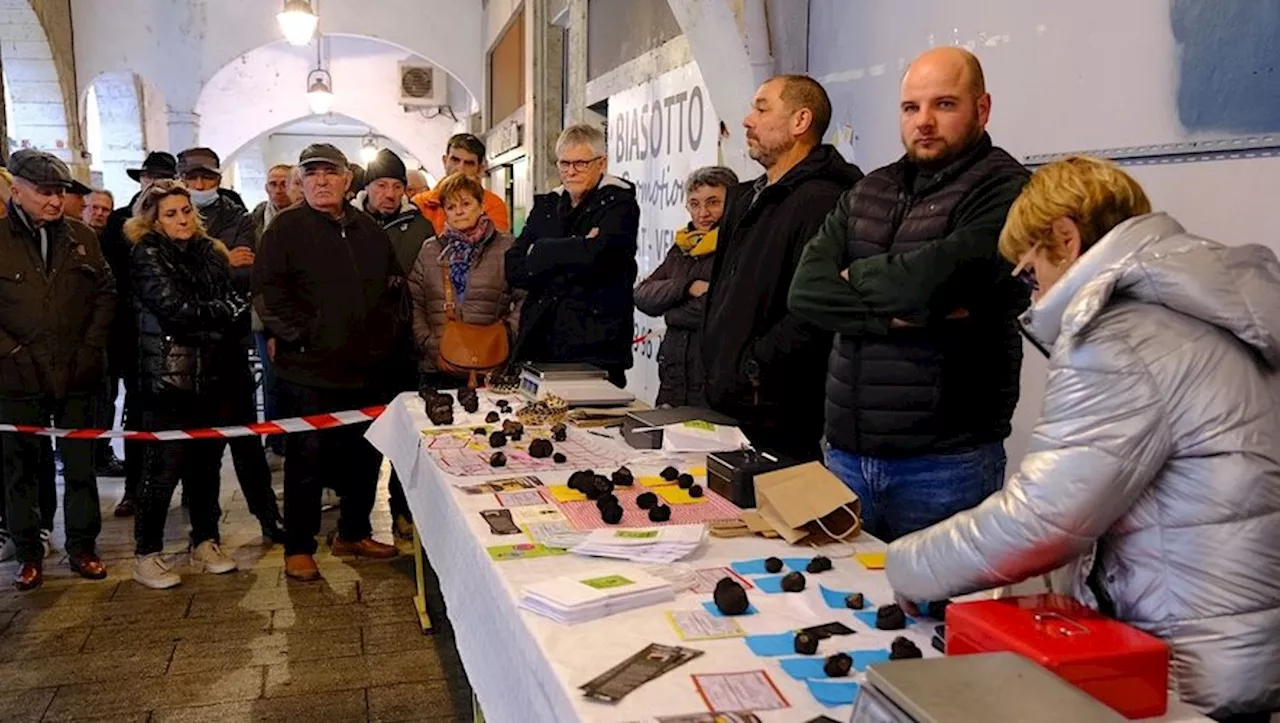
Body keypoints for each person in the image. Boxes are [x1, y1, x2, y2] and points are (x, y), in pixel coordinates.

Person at [886, 156, 1280, 723]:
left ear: (1065, 240)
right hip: (1242, 644)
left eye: (1029, 272)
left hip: (1183, 665)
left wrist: (906, 564)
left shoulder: (1119, 334)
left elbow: (1042, 521)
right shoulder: (1206, 308)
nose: (1031, 293)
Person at [788, 47, 1031, 542]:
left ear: (981, 109)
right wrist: (892, 316)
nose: (924, 121)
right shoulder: (869, 190)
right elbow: (806, 290)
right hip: (846, 457)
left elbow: (935, 281)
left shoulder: (1008, 190)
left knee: (939, 618)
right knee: (843, 608)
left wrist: (855, 277)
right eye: (911, 107)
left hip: (946, 464)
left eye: (944, 105)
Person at [253, 143, 401, 582]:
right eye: (311, 173)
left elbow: (393, 285)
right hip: (308, 371)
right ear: (301, 181)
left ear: (346, 180)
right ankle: (299, 545)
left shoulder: (368, 229)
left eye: (329, 173)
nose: (321, 181)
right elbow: (267, 294)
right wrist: (306, 336)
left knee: (364, 455)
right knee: (306, 460)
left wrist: (385, 336)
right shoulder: (286, 229)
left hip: (366, 368)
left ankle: (353, 530)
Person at [701, 75, 863, 462]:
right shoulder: (746, 198)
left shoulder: (824, 200)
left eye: (761, 108)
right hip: (727, 405)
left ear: (800, 122)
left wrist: (755, 366)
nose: (746, 120)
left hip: (778, 414)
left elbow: (815, 309)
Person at [0, 150, 115, 590]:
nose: (54, 200)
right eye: (44, 192)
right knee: (21, 469)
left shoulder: (81, 237)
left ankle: (83, 547)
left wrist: (89, 346)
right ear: (18, 191)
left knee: (81, 466)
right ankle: (29, 552)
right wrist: (11, 352)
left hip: (77, 373)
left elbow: (106, 291)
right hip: (17, 378)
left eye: (59, 192)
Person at [125, 180, 246, 589]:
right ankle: (146, 554)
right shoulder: (147, 254)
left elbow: (234, 302)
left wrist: (217, 313)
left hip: (212, 375)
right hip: (168, 379)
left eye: (185, 211)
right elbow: (176, 309)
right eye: (171, 214)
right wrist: (219, 313)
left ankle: (205, 540)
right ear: (154, 221)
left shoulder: (210, 252)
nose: (182, 220)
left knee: (206, 466)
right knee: (163, 470)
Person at [178, 148, 285, 543]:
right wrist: (223, 259)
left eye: (207, 178)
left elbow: (247, 273)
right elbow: (174, 281)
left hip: (230, 344)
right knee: (201, 452)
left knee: (247, 445)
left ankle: (268, 517)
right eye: (194, 178)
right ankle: (205, 533)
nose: (201, 185)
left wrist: (205, 262)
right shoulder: (168, 215)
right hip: (188, 354)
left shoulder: (236, 217)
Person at [506, 124, 640, 387]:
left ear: (601, 163)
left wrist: (541, 250)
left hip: (595, 350)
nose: (570, 171)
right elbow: (514, 268)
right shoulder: (546, 205)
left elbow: (600, 261)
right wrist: (578, 246)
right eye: (564, 163)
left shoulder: (619, 205)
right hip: (539, 343)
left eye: (580, 163)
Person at [356, 148, 435, 541]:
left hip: (403, 350)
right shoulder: (349, 224)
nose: (389, 193)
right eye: (382, 184)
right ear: (367, 187)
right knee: (361, 442)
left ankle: (404, 512)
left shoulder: (419, 228)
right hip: (357, 351)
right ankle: (355, 524)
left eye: (397, 186)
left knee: (406, 439)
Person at [102, 151, 178, 518]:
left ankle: (183, 487)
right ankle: (134, 488)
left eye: (165, 177)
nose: (156, 183)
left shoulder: (179, 224)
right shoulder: (118, 223)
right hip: (132, 335)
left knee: (179, 418)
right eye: (152, 177)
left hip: (174, 338)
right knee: (137, 414)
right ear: (142, 180)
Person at [635, 166, 738, 407]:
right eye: (694, 203)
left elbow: (718, 311)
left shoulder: (737, 247)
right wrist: (686, 287)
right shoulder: (681, 248)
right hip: (673, 379)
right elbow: (642, 295)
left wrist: (670, 311)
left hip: (713, 381)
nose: (703, 213)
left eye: (713, 203)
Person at [409, 171, 520, 388]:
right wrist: (429, 343)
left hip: (493, 365)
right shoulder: (430, 250)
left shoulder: (507, 247)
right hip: (438, 367)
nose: (459, 211)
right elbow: (414, 301)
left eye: (466, 203)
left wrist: (507, 336)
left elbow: (525, 297)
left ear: (480, 205)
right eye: (451, 207)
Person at [78, 187, 127, 479]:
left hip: (106, 336)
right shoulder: (70, 239)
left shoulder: (110, 244)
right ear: (83, 208)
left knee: (105, 398)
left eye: (105, 210)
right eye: (94, 207)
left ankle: (101, 452)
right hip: (76, 335)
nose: (99, 213)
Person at [412, 133, 510, 234]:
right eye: (455, 160)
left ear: (480, 169)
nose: (460, 168)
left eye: (468, 163)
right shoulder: (421, 203)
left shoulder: (493, 204)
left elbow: (496, 246)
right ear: (445, 161)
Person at [251, 164, 294, 238]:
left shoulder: (305, 214)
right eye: (273, 184)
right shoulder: (258, 215)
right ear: (266, 188)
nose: (278, 190)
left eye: (284, 184)